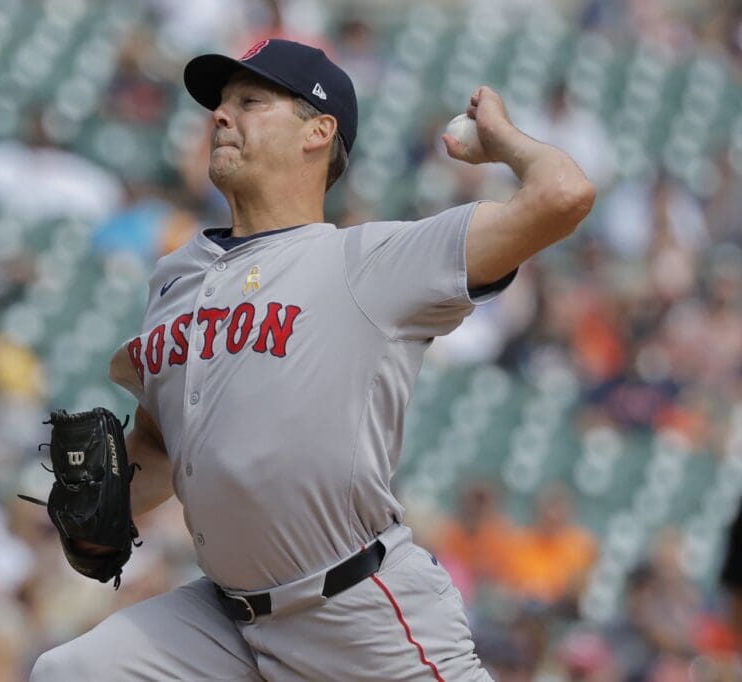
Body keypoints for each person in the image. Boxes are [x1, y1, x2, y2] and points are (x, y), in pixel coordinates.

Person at [31, 37, 594, 681]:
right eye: (219, 103)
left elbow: (563, 195)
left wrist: (504, 142)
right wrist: (105, 510)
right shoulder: (174, 278)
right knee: (72, 672)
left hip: (356, 615)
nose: (221, 115)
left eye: (250, 101)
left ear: (319, 131)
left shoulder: (371, 262)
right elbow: (160, 445)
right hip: (225, 625)